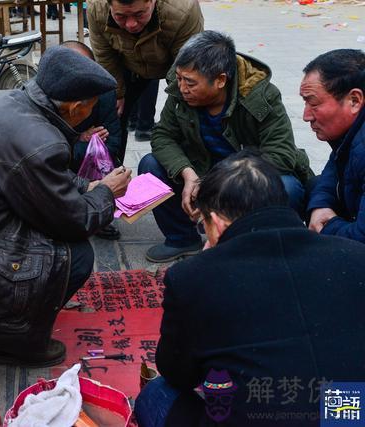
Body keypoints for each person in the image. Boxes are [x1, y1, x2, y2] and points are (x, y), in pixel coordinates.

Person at [0, 46, 131, 367]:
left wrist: (86, 187)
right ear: (76, 108)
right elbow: (74, 221)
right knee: (77, 255)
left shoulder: (6, 100)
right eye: (91, 106)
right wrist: (107, 193)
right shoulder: (42, 140)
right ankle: (6, 340)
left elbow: (37, 174)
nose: (92, 112)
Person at [135, 151, 365, 427]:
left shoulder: (194, 277)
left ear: (217, 224)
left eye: (204, 225)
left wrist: (206, 268)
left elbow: (178, 372)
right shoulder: (355, 256)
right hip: (347, 415)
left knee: (157, 393)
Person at [138, 31, 311, 262]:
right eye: (179, 78)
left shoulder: (261, 96)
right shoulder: (180, 91)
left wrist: (221, 185)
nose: (182, 87)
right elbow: (162, 135)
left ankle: (257, 249)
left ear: (220, 80)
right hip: (200, 169)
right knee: (150, 165)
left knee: (287, 186)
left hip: (244, 177)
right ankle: (181, 239)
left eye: (190, 83)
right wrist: (187, 174)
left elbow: (281, 154)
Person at [87, 0, 203, 158]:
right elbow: (104, 55)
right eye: (121, 16)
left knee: (185, 111)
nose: (131, 24)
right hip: (126, 63)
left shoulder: (184, 9)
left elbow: (187, 64)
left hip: (173, 61)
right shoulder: (96, 7)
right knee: (110, 110)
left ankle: (186, 165)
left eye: (139, 14)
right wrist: (118, 93)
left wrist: (178, 101)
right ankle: (111, 166)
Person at [63, 40, 123, 240]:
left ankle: (98, 214)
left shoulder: (104, 92)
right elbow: (46, 151)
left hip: (90, 161)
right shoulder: (46, 97)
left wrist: (90, 146)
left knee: (107, 162)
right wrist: (79, 139)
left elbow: (113, 142)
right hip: (57, 165)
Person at [303, 49, 365, 243]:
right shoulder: (349, 135)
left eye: (313, 104)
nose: (306, 116)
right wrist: (320, 206)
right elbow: (330, 176)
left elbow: (362, 238)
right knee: (314, 185)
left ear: (354, 101)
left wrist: (328, 225)